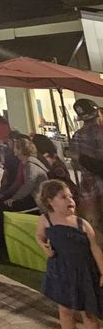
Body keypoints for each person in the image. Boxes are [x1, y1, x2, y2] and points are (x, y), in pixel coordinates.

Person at [36, 179, 103, 329]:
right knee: (65, 310)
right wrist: (44, 246)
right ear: (50, 201)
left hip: (83, 274)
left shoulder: (82, 224)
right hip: (61, 273)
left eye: (71, 196)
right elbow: (39, 235)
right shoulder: (46, 220)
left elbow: (95, 248)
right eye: (63, 197)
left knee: (89, 313)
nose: (70, 200)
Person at [70, 98, 103, 241]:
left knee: (94, 228)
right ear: (98, 114)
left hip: (88, 187)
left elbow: (75, 163)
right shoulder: (100, 133)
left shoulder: (77, 135)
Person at [0, 136, 47, 211]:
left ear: (21, 150)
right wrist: (5, 194)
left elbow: (29, 184)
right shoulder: (25, 163)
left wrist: (14, 198)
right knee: (0, 203)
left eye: (15, 148)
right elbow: (18, 183)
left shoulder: (30, 164)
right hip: (33, 195)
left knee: (5, 206)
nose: (13, 149)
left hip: (37, 198)